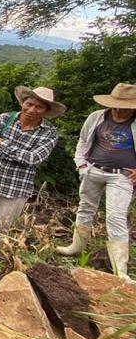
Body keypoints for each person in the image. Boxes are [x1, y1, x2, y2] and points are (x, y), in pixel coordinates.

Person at [57, 83, 136, 280]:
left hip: (122, 175)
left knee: (115, 216)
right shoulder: (98, 117)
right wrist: (81, 164)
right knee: (85, 208)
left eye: (124, 106)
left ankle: (120, 269)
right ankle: (76, 247)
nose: (119, 109)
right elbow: (83, 141)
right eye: (116, 104)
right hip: (93, 169)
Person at [0, 86, 64, 231]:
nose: (31, 110)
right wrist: (20, 155)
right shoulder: (5, 119)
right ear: (22, 103)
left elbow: (33, 159)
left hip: (16, 188)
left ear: (46, 111)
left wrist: (2, 143)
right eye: (29, 104)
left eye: (39, 107)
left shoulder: (49, 133)